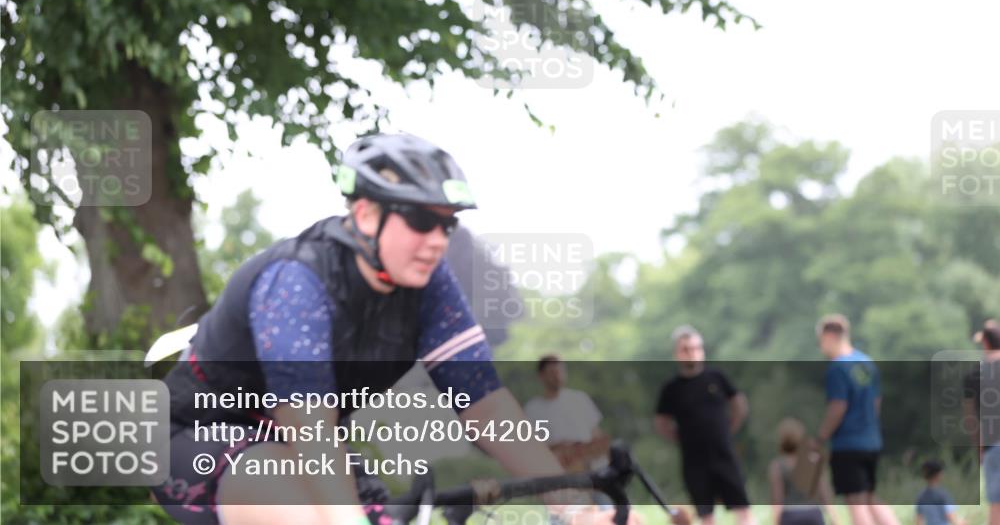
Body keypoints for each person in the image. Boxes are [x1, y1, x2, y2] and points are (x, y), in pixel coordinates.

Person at [151, 133, 649, 525]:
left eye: (446, 224)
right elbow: (310, 429)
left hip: (293, 448)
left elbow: (487, 406)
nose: (436, 240)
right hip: (198, 439)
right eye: (418, 220)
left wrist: (570, 505)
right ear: (366, 213)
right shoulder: (297, 282)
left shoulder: (429, 284)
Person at [653, 325, 754, 525]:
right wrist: (679, 438)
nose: (692, 353)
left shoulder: (717, 377)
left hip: (724, 454)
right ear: (677, 353)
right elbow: (661, 422)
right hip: (694, 461)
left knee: (742, 510)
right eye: (686, 349)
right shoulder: (671, 388)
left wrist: (728, 430)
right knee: (706, 515)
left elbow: (739, 405)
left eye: (696, 348)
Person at [810, 314, 898, 525]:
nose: (821, 348)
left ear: (830, 336)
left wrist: (820, 438)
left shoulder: (837, 368)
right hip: (872, 441)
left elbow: (838, 407)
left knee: (855, 502)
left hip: (848, 444)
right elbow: (876, 403)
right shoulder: (867, 364)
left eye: (821, 341)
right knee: (869, 497)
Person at [523, 355, 613, 512]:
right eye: (552, 372)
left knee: (607, 513)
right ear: (541, 376)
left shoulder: (579, 399)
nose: (557, 375)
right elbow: (532, 448)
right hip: (560, 477)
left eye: (560, 370)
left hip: (591, 473)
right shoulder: (533, 409)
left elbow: (595, 433)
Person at [767, 417, 839, 525]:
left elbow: (777, 499)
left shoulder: (777, 466)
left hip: (790, 516)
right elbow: (824, 493)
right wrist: (834, 518)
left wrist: (776, 521)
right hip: (813, 515)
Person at [963, 319, 1000, 525]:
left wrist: (979, 447)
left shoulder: (973, 375)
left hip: (993, 444)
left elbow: (971, 418)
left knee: (996, 503)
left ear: (985, 343)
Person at [914, 460, 964, 525]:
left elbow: (919, 521)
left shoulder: (921, 496)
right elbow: (951, 517)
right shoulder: (943, 495)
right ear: (939, 474)